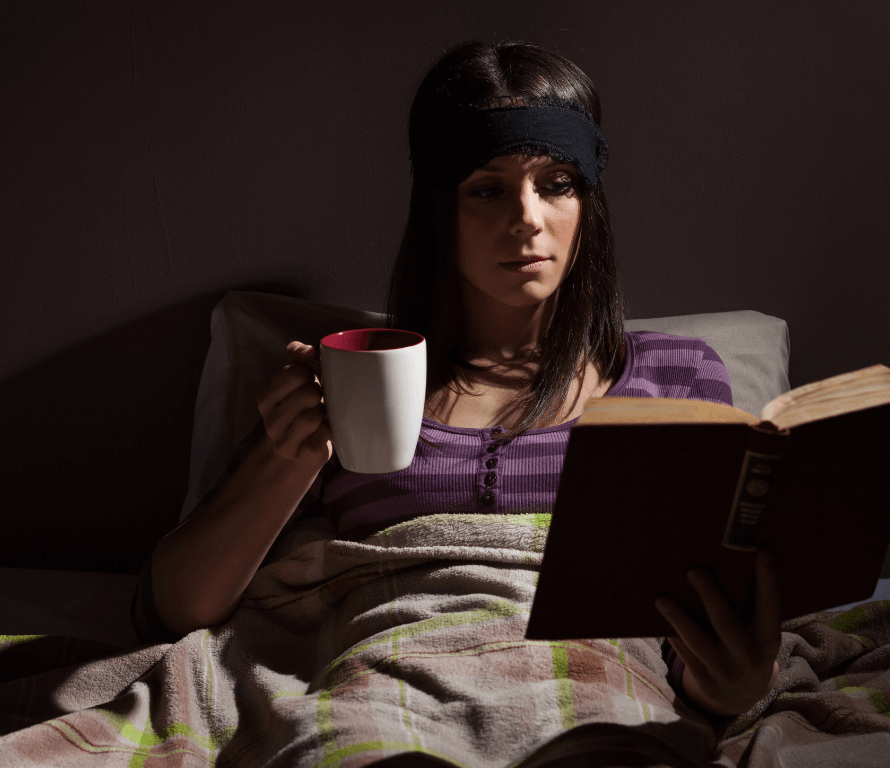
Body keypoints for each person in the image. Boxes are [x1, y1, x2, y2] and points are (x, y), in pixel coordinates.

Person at [133, 40, 781, 728]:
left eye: (558, 182)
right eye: (487, 188)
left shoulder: (674, 378)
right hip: (383, 694)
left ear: (590, 202)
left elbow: (700, 633)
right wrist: (287, 452)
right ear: (440, 210)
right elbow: (177, 611)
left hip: (592, 701)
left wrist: (733, 690)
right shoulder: (349, 383)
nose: (527, 217)